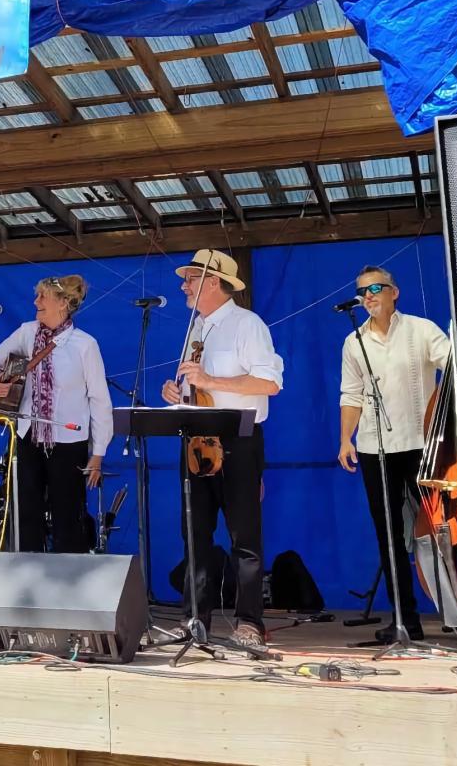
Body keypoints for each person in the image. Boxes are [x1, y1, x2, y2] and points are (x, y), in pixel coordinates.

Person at [161, 249, 283, 652]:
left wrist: (211, 379)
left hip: (238, 438)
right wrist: (179, 392)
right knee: (195, 532)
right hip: (198, 435)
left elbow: (269, 383)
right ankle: (193, 618)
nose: (184, 286)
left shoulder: (248, 324)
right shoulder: (195, 329)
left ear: (213, 282)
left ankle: (249, 623)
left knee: (243, 535)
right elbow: (199, 385)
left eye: (191, 279)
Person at [337, 265, 450, 644]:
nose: (368, 296)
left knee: (437, 530)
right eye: (362, 292)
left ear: (394, 292)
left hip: (421, 444)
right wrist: (345, 439)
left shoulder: (421, 329)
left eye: (376, 288)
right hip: (375, 447)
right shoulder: (355, 341)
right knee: (388, 534)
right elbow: (350, 395)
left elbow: (451, 366)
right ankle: (405, 618)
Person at [0, 275, 111, 553]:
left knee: (68, 518)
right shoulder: (27, 332)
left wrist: (98, 453)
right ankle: (31, 582)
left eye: (43, 297)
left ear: (64, 303)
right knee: (27, 515)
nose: (35, 302)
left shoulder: (85, 345)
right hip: (27, 437)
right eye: (37, 296)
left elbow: (100, 401)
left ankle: (68, 585)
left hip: (68, 442)